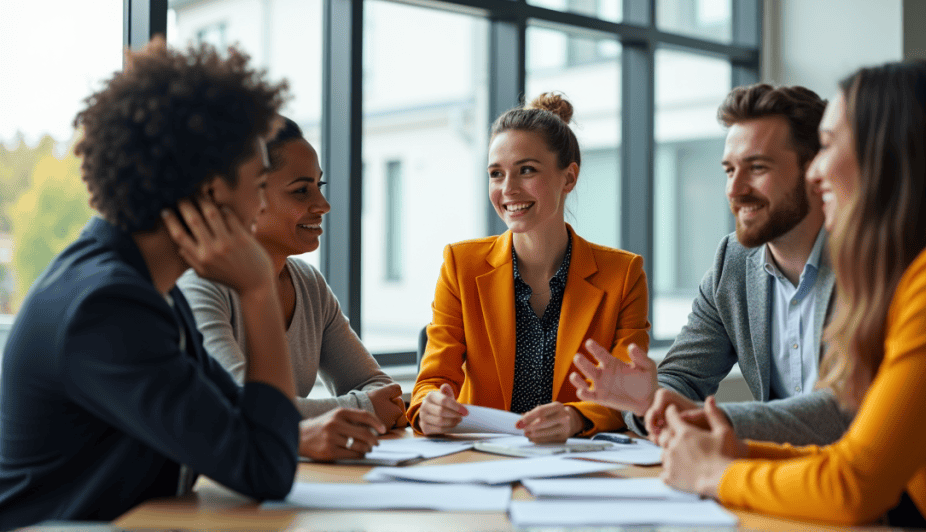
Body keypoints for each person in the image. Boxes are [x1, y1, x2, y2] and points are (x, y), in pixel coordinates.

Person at [0, 39, 378, 528]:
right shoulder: (106, 306)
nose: (261, 203)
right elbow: (267, 467)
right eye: (259, 181)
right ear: (211, 188)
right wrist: (259, 291)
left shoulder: (150, 289)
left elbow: (245, 422)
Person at [657, 60, 926, 529]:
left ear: (887, 154)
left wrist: (717, 472)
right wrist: (739, 451)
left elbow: (854, 485)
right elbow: (861, 454)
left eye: (828, 146)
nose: (816, 173)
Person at [570, 84, 849, 446]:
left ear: (814, 170)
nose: (735, 189)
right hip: (773, 483)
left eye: (757, 167)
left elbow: (847, 409)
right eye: (729, 170)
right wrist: (649, 399)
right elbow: (680, 378)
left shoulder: (868, 259)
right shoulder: (732, 263)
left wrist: (706, 419)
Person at [407, 93, 651, 443]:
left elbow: (629, 392)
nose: (508, 189)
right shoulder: (461, 266)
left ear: (568, 178)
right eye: (496, 173)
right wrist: (428, 408)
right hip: (478, 460)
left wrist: (575, 417)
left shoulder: (623, 275)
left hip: (574, 462)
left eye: (527, 170)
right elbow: (430, 383)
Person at [179, 116, 404, 461]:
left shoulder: (309, 284)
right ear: (246, 195)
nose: (323, 205)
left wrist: (361, 407)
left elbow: (383, 393)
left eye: (319, 185)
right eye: (301, 190)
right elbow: (237, 405)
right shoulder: (199, 286)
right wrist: (362, 408)